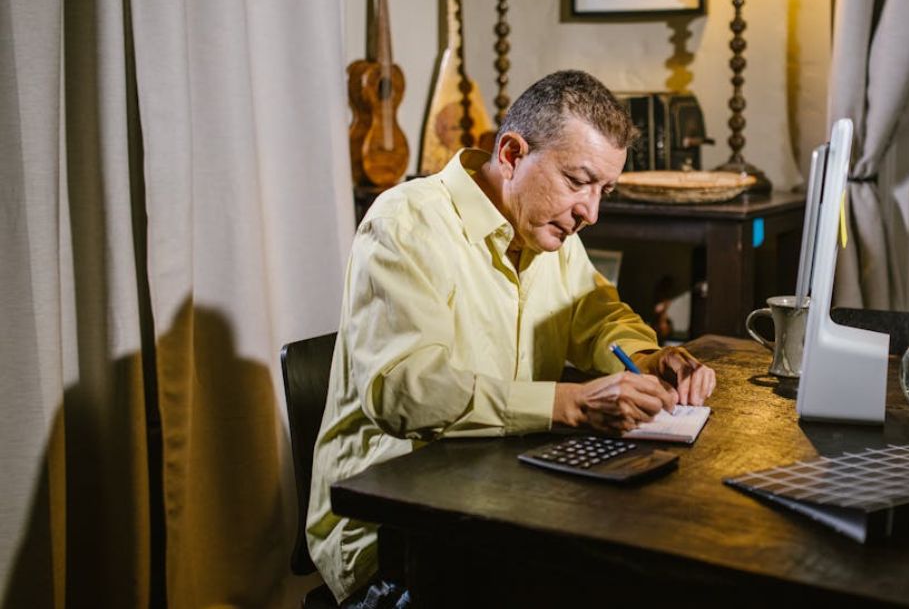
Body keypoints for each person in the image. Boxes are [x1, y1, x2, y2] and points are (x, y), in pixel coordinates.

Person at [306, 70, 717, 607]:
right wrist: (567, 404)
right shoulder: (405, 225)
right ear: (511, 153)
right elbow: (402, 390)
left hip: (497, 502)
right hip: (392, 536)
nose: (590, 213)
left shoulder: (549, 230)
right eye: (578, 181)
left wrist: (647, 355)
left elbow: (595, 315)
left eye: (604, 190)